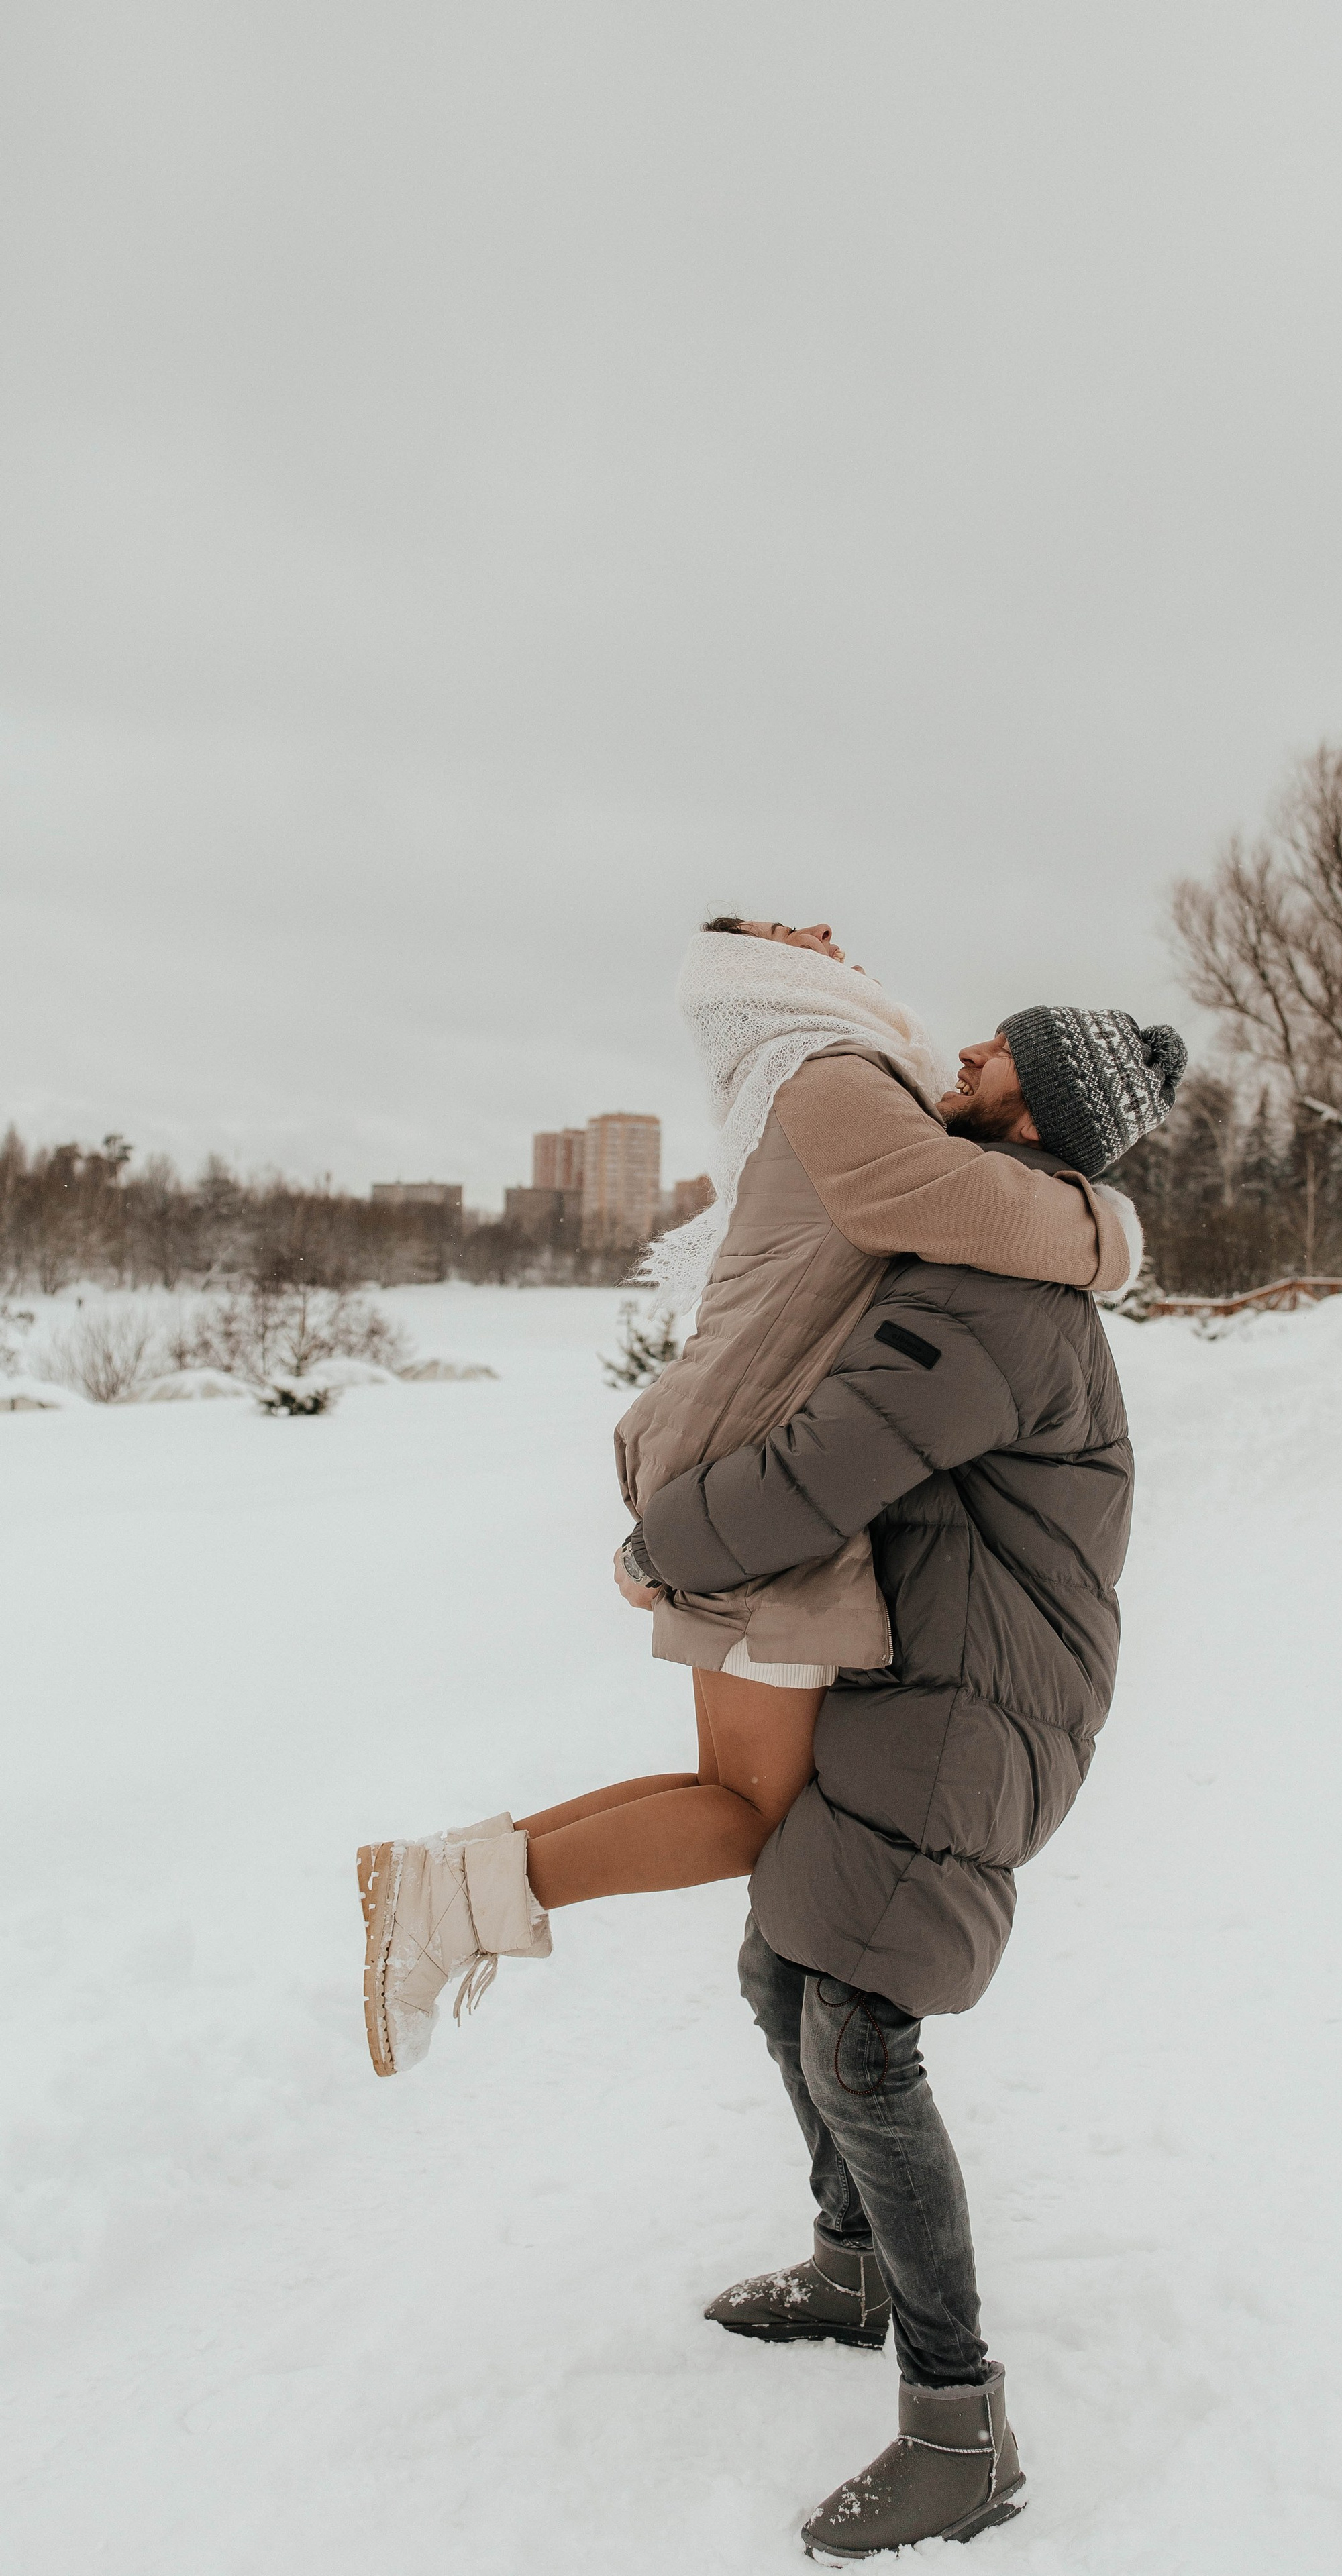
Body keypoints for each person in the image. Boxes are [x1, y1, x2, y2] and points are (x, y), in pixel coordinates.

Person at [356, 920, 1183, 2084]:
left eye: (998, 1051)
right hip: (756, 1449)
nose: (837, 935)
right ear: (773, 966)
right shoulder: (835, 1070)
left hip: (746, 1434)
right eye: (802, 931)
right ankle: (449, 1901)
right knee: (750, 1812)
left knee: (735, 1793)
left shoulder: (853, 1069)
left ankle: (448, 1887)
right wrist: (1110, 1230)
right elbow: (977, 1209)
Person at [623, 1000, 1172, 2556]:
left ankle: (959, 2430)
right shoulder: (986, 1258)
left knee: (859, 2031)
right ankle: (852, 2260)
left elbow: (819, 1475)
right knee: (778, 1968)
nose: (958, 1061)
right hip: (924, 1685)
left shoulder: (997, 1305)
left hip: (971, 1714)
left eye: (990, 1056)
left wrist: (653, 1547)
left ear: (1026, 1112)